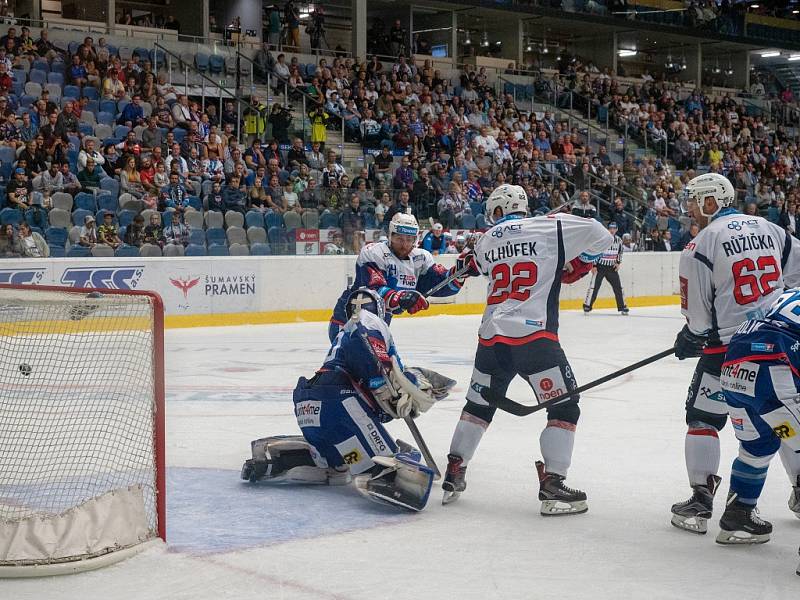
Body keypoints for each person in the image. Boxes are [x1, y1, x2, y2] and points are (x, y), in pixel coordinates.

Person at [441, 184, 612, 512]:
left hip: (491, 338)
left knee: (478, 405)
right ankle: (553, 483)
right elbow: (600, 233)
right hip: (534, 338)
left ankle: (455, 469)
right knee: (565, 408)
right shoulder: (551, 225)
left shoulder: (487, 239)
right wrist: (579, 263)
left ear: (499, 211)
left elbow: (472, 266)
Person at [241, 288, 454, 511]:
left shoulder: (344, 330)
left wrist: (387, 399)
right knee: (388, 466)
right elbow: (362, 349)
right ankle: (378, 472)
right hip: (339, 403)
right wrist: (381, 386)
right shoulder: (368, 320)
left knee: (336, 470)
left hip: (309, 404)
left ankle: (280, 460)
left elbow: (368, 373)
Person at [670, 173, 800, 535]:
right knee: (783, 415)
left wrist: (689, 336)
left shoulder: (700, 245)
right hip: (779, 343)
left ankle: (700, 500)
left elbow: (697, 318)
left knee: (702, 418)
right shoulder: (770, 229)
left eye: (695, 200)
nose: (691, 208)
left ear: (713, 201)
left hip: (727, 351)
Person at [711, 288, 800, 545]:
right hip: (773, 376)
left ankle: (739, 516)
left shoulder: (788, 293)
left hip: (735, 376)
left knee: (759, 444)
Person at [327, 213, 473, 342]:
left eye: (409, 239)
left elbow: (438, 283)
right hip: (347, 321)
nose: (404, 245)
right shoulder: (373, 252)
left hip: (379, 325)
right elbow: (374, 289)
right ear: (390, 235)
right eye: (399, 239)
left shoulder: (420, 258)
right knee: (354, 367)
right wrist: (401, 297)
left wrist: (459, 273)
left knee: (380, 369)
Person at [583, 222, 628, 315]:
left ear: (616, 229)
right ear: (608, 229)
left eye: (614, 228)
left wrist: (618, 262)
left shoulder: (619, 240)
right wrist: (594, 265)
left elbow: (620, 252)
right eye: (610, 228)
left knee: (618, 288)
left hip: (611, 268)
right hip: (600, 267)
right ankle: (587, 306)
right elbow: (595, 251)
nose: (612, 230)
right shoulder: (602, 239)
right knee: (594, 287)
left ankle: (623, 306)